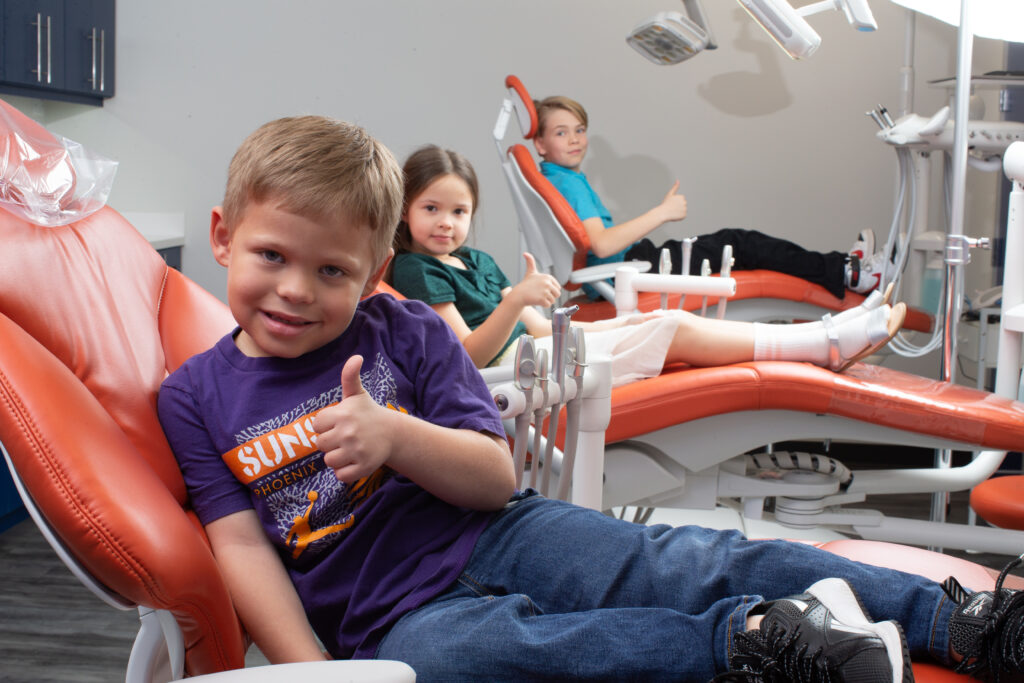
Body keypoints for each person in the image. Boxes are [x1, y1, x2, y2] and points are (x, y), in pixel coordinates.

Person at [157, 115, 1024, 682]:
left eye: (332, 270)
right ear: (224, 237)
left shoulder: (408, 331)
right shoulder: (192, 398)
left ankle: (972, 622)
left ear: (375, 271)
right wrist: (310, 669)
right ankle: (760, 645)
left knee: (683, 563)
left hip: (499, 528)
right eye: (271, 256)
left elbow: (493, 476)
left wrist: (393, 433)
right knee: (467, 660)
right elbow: (240, 547)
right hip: (393, 616)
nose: (296, 290)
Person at [389, 144, 902, 384]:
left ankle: (833, 330)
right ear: (405, 209)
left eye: (459, 212)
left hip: (537, 353)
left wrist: (553, 320)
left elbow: (533, 327)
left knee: (656, 320)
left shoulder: (472, 260)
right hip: (512, 376)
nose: (446, 223)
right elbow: (469, 356)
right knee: (674, 326)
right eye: (430, 209)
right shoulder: (416, 270)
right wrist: (518, 300)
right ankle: (825, 344)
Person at [531, 94, 888, 300]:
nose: (575, 139)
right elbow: (603, 244)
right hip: (630, 270)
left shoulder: (554, 177)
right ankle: (846, 272)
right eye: (562, 132)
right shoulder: (569, 185)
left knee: (738, 247)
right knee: (740, 244)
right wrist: (663, 212)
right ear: (541, 143)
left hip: (632, 265)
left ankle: (840, 268)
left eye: (579, 130)